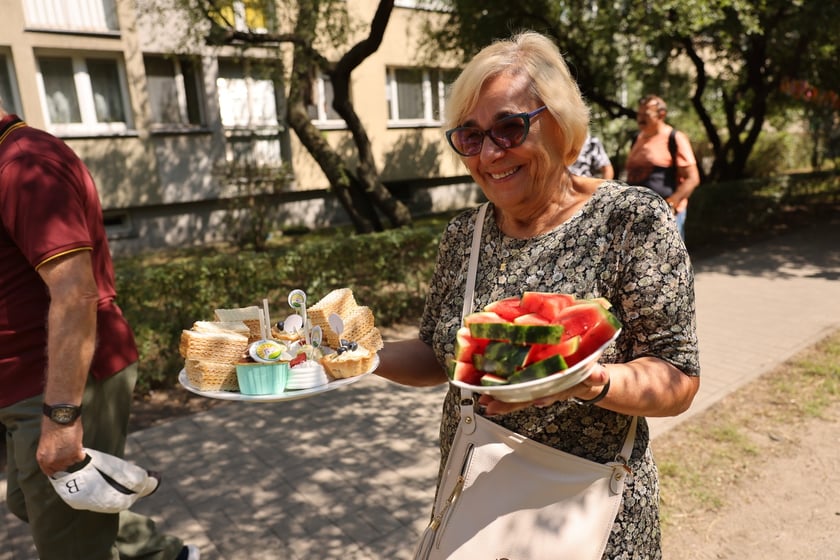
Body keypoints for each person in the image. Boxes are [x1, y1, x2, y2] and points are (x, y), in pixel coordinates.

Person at [375, 31, 699, 558]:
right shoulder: (465, 234)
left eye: (508, 127)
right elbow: (439, 355)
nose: (489, 153)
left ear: (561, 123)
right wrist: (357, 357)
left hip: (591, 517)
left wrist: (585, 381)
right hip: (478, 504)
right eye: (471, 136)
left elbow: (678, 377)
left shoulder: (631, 221)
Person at [0, 100, 199, 560]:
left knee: (69, 542)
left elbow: (75, 296)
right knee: (33, 503)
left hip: (56, 387)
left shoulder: (25, 165)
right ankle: (166, 556)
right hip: (24, 389)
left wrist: (61, 422)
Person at [625, 94, 701, 239]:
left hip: (666, 216)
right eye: (639, 114)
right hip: (637, 215)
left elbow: (693, 178)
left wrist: (671, 204)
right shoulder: (636, 138)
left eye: (646, 114)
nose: (640, 118)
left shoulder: (674, 138)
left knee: (669, 260)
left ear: (662, 115)